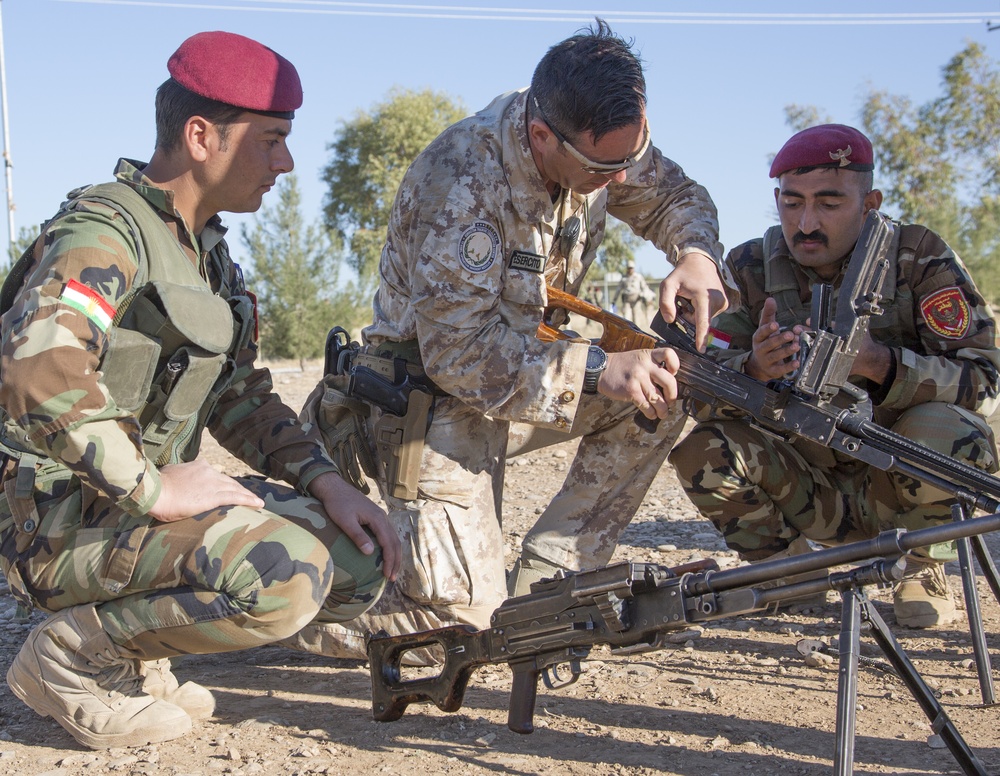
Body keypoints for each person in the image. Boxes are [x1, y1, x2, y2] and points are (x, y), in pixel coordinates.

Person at [286, 19, 735, 663]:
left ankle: (551, 588)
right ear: (541, 135)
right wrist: (597, 370)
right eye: (603, 168)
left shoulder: (600, 146)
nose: (619, 180)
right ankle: (299, 609)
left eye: (627, 163)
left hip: (524, 377)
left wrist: (695, 253)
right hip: (426, 400)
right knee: (462, 635)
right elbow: (457, 354)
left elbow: (674, 197)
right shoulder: (461, 177)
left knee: (665, 391)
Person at [0, 31, 399, 749]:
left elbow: (239, 394)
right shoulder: (106, 231)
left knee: (354, 556)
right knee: (286, 574)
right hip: (50, 522)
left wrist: (327, 484)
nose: (286, 162)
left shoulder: (206, 254)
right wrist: (154, 490)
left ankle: (136, 647)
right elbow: (37, 367)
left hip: (118, 507)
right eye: (272, 139)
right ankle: (72, 659)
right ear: (200, 136)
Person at [670, 124, 1000, 628]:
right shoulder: (750, 268)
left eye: (829, 203)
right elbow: (691, 385)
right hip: (808, 481)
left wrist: (880, 365)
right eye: (791, 202)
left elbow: (984, 378)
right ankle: (786, 568)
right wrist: (752, 370)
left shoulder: (917, 258)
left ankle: (921, 565)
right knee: (703, 450)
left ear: (870, 203)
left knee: (954, 432)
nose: (806, 223)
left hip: (900, 478)